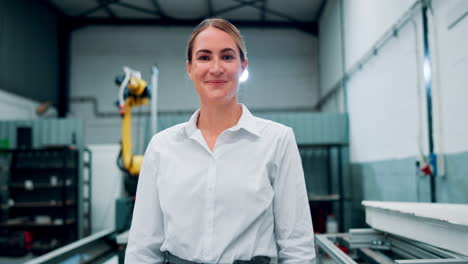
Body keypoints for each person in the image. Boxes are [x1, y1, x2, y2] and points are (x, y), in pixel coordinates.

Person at [125, 18, 316, 264]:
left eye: (227, 57)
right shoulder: (162, 147)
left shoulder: (277, 141)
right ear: (190, 68)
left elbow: (297, 246)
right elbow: (142, 247)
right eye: (204, 57)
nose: (216, 68)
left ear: (243, 66)